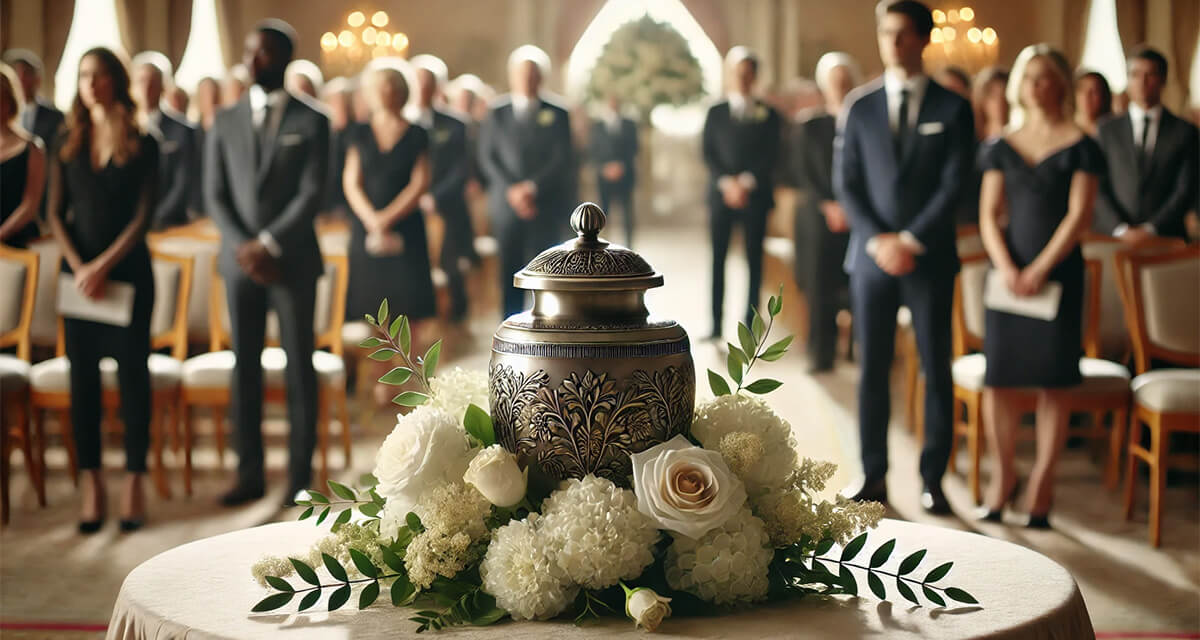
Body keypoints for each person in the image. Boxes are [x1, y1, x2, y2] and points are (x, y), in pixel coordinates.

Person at [834, 1, 974, 513]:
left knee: (935, 367)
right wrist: (878, 240)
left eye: (903, 34)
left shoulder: (953, 107)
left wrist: (911, 240)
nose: (893, 43)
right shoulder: (859, 105)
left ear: (922, 40)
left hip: (929, 256)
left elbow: (955, 183)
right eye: (886, 33)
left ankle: (934, 479)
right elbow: (846, 183)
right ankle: (873, 475)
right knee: (872, 368)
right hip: (871, 259)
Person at [976, 45, 1104, 528]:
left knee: (1055, 382)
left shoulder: (1082, 144)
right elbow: (989, 216)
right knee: (1000, 380)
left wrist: (1040, 269)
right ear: (1019, 86)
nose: (1036, 86)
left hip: (1060, 275)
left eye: (1046, 77)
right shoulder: (1000, 145)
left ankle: (1043, 482)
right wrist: (1008, 266)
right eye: (1029, 77)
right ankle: (1003, 476)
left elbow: (1079, 216)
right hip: (1007, 276)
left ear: (1061, 85)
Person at [204, 20, 329, 507]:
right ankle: (248, 474)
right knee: (245, 368)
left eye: (263, 53)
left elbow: (312, 192)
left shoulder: (312, 119)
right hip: (240, 264)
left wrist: (270, 244)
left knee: (299, 367)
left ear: (283, 58)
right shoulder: (225, 119)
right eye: (249, 52)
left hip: (292, 262)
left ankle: (300, 476)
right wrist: (245, 246)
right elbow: (215, 195)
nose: (252, 60)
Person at [45, 48, 158, 532]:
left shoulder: (144, 140)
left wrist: (103, 265)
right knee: (82, 383)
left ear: (116, 80)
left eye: (99, 74)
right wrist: (80, 267)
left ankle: (134, 481)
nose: (90, 83)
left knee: (134, 380)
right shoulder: (66, 139)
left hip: (129, 274)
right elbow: (53, 212)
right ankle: (92, 483)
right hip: (80, 282)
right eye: (83, 75)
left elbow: (143, 216)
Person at [343, 59, 436, 404]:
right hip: (366, 229)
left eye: (392, 86)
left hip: (407, 229)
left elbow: (420, 182)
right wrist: (372, 219)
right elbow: (351, 182)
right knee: (370, 305)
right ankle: (380, 377)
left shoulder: (417, 133)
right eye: (380, 86)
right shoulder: (359, 133)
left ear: (402, 92)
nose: (386, 92)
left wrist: (388, 218)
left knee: (406, 304)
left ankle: (404, 373)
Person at [478, 45, 575, 318]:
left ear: (541, 77)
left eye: (533, 73)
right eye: (521, 73)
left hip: (545, 203)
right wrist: (514, 190)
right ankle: (509, 325)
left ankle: (547, 324)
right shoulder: (496, 111)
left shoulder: (558, 112)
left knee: (546, 269)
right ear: (511, 76)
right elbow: (488, 157)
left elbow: (562, 158)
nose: (527, 79)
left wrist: (532, 188)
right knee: (508, 268)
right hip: (506, 205)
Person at [702, 46, 781, 339]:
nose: (743, 78)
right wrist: (727, 183)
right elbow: (708, 152)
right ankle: (715, 325)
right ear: (730, 75)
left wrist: (746, 183)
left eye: (748, 73)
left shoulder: (769, 114)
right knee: (718, 259)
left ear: (755, 77)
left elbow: (772, 153)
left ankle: (750, 327)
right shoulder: (716, 111)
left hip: (755, 196)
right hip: (721, 196)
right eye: (738, 73)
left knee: (754, 261)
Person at [792, 52, 859, 374]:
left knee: (854, 283)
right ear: (824, 86)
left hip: (856, 215)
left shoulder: (864, 122)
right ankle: (821, 354)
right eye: (834, 82)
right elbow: (802, 172)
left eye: (845, 82)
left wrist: (849, 206)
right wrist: (829, 205)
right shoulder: (810, 125)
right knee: (819, 286)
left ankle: (858, 351)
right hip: (818, 216)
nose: (840, 88)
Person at [1093, 46, 1198, 243]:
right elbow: (1097, 186)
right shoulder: (1106, 129)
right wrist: (1120, 229)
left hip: (1166, 237)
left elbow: (1185, 189)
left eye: (1150, 75)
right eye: (1135, 75)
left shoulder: (1185, 131)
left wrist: (1151, 229)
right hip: (1114, 238)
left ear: (1163, 80)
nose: (1142, 82)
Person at [409, 54, 476, 322]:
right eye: (418, 81)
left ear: (438, 86)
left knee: (450, 268)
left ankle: (455, 326)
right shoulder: (402, 121)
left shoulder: (455, 123)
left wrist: (434, 197)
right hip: (410, 208)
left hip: (446, 206)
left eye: (429, 82)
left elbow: (461, 168)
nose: (423, 87)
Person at [131, 52, 197, 230]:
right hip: (129, 225)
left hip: (171, 224)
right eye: (142, 81)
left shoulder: (184, 131)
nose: (147, 87)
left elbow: (183, 182)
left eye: (153, 82)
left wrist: (156, 217)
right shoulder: (125, 129)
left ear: (164, 86)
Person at [3, 50, 64, 223]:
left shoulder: (56, 117)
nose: (22, 80)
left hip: (39, 205)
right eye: (17, 74)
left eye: (26, 74)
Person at [0, 63, 45, 247]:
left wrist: (1, 235)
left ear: (10, 102)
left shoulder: (32, 147)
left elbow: (30, 205)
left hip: (18, 242)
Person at [588, 94, 638, 247]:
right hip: (604, 177)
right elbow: (592, 151)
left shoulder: (630, 125)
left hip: (625, 175)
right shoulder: (596, 126)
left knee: (627, 214)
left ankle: (630, 246)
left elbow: (634, 148)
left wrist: (621, 167)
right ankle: (602, 244)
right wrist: (605, 168)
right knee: (603, 213)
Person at [320, 77, 354, 217]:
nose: (340, 107)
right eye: (335, 102)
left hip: (349, 205)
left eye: (344, 102)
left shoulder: (357, 134)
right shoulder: (323, 133)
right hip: (328, 204)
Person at [973, 67, 1009, 141]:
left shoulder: (1021, 138)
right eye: (993, 96)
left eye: (1004, 95)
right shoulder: (971, 136)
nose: (999, 102)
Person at [1074, 70, 1112, 137]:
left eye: (1094, 91)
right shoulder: (1065, 129)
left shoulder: (1113, 130)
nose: (1087, 96)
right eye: (1082, 90)